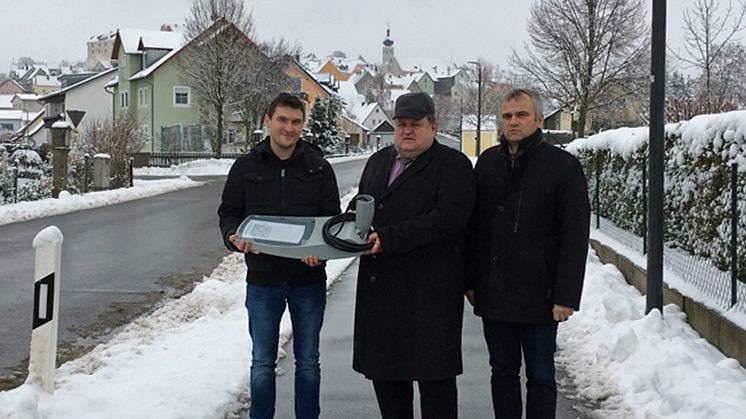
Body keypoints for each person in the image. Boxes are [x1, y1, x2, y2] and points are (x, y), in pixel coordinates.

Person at [465, 88, 591, 419]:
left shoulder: (563, 167)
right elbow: (474, 229)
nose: (513, 121)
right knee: (502, 372)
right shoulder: (488, 163)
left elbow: (575, 237)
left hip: (541, 294)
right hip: (495, 292)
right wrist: (471, 281)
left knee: (541, 375)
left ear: (538, 119)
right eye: (507, 116)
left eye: (521, 115)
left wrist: (565, 295)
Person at [352, 92, 476, 419]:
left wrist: (389, 238)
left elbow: (448, 219)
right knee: (389, 384)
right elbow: (363, 206)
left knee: (435, 385)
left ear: (433, 127)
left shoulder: (453, 165)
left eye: (416, 125)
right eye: (401, 124)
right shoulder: (378, 162)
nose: (407, 131)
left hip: (429, 294)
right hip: (381, 293)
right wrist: (347, 226)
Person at [218, 92, 340, 419]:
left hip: (308, 282)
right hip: (263, 281)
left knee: (309, 362)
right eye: (282, 120)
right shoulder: (245, 167)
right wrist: (233, 236)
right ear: (267, 121)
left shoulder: (318, 167)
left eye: (296, 121)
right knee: (261, 363)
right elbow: (229, 213)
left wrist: (321, 253)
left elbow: (332, 221)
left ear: (303, 125)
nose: (289, 128)